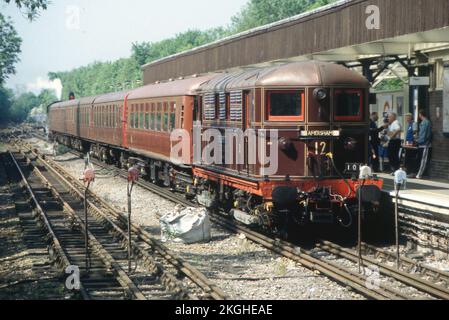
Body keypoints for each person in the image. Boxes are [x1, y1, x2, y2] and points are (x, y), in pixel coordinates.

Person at [416, 110, 432, 179]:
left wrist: (420, 140)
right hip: (422, 143)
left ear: (420, 114)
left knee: (423, 160)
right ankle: (420, 173)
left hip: (425, 144)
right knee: (422, 159)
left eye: (419, 114)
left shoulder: (425, 122)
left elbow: (426, 133)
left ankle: (420, 174)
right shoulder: (424, 122)